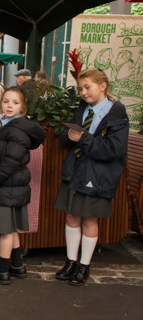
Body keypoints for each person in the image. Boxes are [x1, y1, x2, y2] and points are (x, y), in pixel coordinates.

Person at [54, 69, 129, 286]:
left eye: (88, 87)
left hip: (97, 173)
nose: (83, 92)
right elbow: (67, 135)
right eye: (80, 88)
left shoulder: (117, 113)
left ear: (103, 85)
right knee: (71, 216)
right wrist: (67, 136)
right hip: (76, 169)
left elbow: (114, 149)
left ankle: (84, 265)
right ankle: (70, 261)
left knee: (89, 219)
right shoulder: (82, 108)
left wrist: (84, 138)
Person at [0, 87, 45, 285]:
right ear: (0, 103)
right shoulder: (3, 125)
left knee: (6, 231)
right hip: (8, 185)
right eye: (6, 101)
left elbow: (9, 164)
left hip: (8, 184)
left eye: (15, 103)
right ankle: (17, 265)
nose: (10, 105)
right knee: (12, 228)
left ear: (22, 107)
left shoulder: (18, 131)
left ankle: (2, 270)